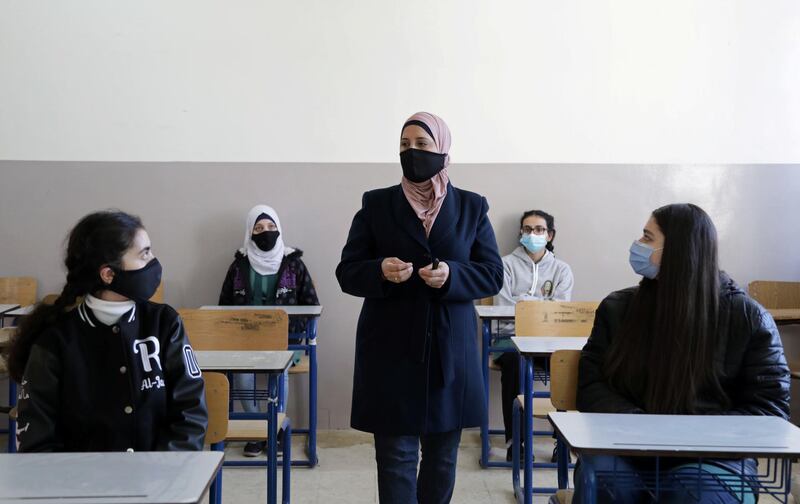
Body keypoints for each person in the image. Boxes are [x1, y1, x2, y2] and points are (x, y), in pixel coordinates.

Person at [336, 112, 503, 504]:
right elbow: (347, 272)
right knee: (395, 457)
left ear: (443, 149)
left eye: (422, 145)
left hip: (451, 350)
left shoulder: (471, 207)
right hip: (391, 346)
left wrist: (453, 276)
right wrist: (379, 271)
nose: (412, 153)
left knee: (442, 457)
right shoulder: (376, 205)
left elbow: (493, 274)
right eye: (404, 145)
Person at [574, 203, 790, 503]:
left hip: (716, 459)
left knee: (693, 492)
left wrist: (687, 437)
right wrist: (643, 428)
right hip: (627, 448)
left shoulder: (748, 318)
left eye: (648, 238)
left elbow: (769, 409)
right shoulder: (618, 308)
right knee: (604, 482)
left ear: (679, 251)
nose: (637, 245)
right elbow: (591, 384)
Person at [8, 210, 207, 452]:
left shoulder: (164, 322)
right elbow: (37, 440)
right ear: (109, 274)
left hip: (160, 482)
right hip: (80, 486)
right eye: (144, 254)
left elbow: (191, 413)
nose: (153, 261)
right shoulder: (55, 341)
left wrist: (164, 474)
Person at [218, 204, 319, 457]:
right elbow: (223, 305)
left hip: (284, 339)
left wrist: (294, 333)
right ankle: (256, 430)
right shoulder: (238, 265)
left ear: (279, 229)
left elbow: (311, 303)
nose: (266, 232)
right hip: (244, 340)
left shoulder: (294, 264)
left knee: (279, 372)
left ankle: (275, 429)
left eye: (271, 227)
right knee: (242, 377)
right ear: (250, 233)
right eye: (259, 228)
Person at [493, 209, 573, 461]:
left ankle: (562, 441)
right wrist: (540, 304)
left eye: (539, 230)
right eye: (527, 229)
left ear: (550, 235)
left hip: (549, 341)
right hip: (510, 338)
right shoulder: (504, 265)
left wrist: (525, 302)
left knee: (568, 366)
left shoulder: (562, 270)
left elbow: (560, 310)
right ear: (520, 233)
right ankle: (515, 442)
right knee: (514, 364)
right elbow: (503, 306)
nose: (533, 234)